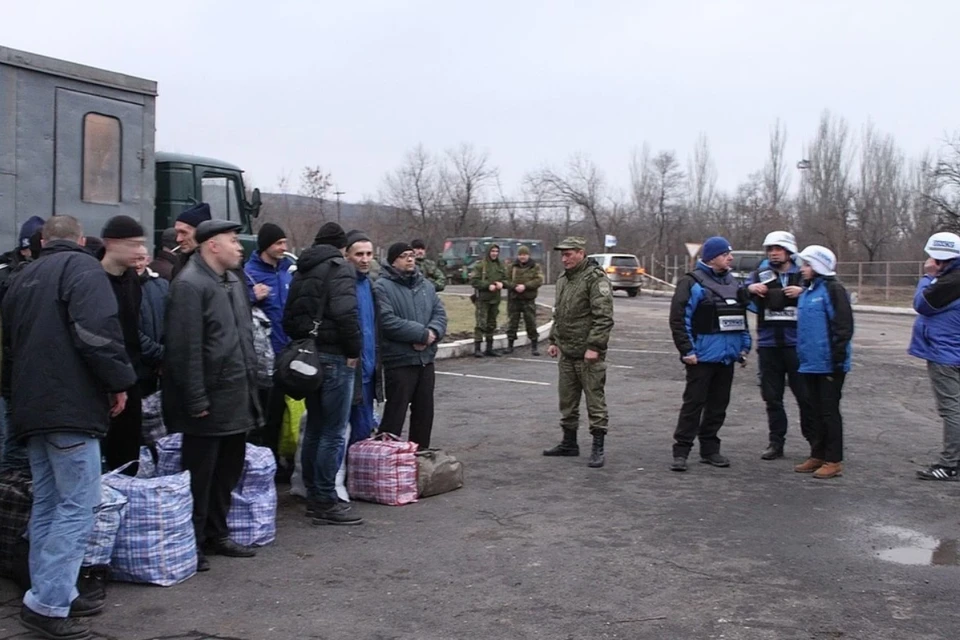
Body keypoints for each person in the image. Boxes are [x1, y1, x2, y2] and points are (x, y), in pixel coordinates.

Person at [3, 215, 135, 639]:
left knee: (48, 503)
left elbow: (9, 346)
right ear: (80, 240)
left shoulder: (21, 277)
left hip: (28, 409)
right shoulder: (83, 270)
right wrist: (119, 382)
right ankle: (49, 603)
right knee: (78, 506)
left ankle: (47, 590)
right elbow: (97, 334)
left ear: (42, 241)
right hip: (69, 407)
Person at [163, 219, 263, 571]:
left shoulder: (232, 282)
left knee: (228, 470)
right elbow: (183, 350)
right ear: (212, 246)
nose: (240, 247)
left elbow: (242, 339)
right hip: (208, 401)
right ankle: (193, 540)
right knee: (201, 475)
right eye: (233, 241)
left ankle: (217, 533)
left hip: (237, 395)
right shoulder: (190, 285)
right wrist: (196, 399)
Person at [283, 222, 362, 525]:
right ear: (341, 246)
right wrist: (354, 350)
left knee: (315, 427)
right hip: (335, 357)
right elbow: (346, 314)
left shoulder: (301, 268)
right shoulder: (339, 268)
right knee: (333, 431)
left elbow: (288, 317)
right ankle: (326, 499)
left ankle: (313, 492)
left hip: (309, 358)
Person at [668, 237, 751, 472]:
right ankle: (681, 451)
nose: (730, 258)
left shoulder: (732, 282)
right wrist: (687, 350)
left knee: (718, 406)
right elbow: (679, 319)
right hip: (701, 357)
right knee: (693, 405)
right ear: (712, 257)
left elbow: (740, 318)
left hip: (726, 358)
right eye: (726, 254)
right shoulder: (691, 282)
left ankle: (710, 450)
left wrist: (744, 347)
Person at [543, 237, 614, 468]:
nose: (564, 259)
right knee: (567, 400)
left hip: (588, 354)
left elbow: (603, 317)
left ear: (581, 253)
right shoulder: (563, 279)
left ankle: (598, 447)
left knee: (595, 400)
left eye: (569, 254)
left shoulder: (595, 278)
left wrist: (595, 347)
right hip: (567, 351)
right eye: (562, 255)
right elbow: (559, 313)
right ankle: (569, 442)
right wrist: (554, 339)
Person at [745, 231, 813, 460]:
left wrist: (802, 292)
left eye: (778, 249)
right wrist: (750, 290)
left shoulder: (804, 274)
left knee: (805, 397)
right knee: (772, 397)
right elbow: (742, 296)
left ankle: (815, 443)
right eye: (770, 249)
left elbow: (824, 293)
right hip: (769, 345)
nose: (774, 253)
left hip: (796, 345)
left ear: (789, 251)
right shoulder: (759, 274)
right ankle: (776, 443)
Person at [375, 242, 447, 449]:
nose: (409, 259)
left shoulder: (425, 285)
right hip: (400, 360)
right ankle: (386, 457)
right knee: (395, 413)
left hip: (425, 360)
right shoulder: (382, 286)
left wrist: (432, 333)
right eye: (403, 256)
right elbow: (387, 321)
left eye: (411, 255)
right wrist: (421, 334)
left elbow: (440, 314)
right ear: (392, 261)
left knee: (424, 412)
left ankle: (419, 456)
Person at [794, 245, 853, 480]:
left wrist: (837, 358)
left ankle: (833, 459)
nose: (803, 269)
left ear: (818, 266)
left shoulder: (833, 289)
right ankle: (817, 454)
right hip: (810, 363)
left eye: (807, 265)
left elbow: (843, 326)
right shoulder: (808, 291)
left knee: (829, 412)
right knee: (814, 410)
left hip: (829, 364)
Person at [909, 232, 960, 480]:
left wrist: (928, 277)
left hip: (946, 354)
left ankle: (949, 464)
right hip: (952, 350)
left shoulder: (948, 282)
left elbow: (921, 304)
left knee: (951, 410)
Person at [100, 216, 147, 471]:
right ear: (111, 243)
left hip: (132, 378)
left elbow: (133, 331)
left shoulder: (132, 280)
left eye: (142, 244)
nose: (140, 251)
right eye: (133, 244)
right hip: (102, 386)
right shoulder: (92, 280)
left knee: (128, 460)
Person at [244, 223, 294, 459]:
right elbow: (234, 303)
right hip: (263, 355)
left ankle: (279, 458)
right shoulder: (249, 273)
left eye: (284, 242)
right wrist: (253, 296)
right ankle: (262, 459)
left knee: (283, 411)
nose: (284, 247)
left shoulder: (287, 271)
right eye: (278, 243)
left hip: (288, 351)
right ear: (266, 246)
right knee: (264, 413)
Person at [345, 231, 383, 445]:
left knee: (363, 429)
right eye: (359, 254)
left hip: (369, 372)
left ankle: (358, 475)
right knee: (342, 431)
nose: (365, 259)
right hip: (349, 371)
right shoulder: (343, 286)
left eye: (369, 254)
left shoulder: (370, 285)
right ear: (347, 255)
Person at [134, 244, 168, 398]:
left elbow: (171, 321)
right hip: (135, 366)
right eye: (135, 259)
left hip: (156, 367)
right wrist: (159, 352)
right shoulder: (121, 286)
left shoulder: (162, 285)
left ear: (148, 260)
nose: (138, 264)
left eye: (141, 259)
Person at [470, 243, 509, 357]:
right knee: (481, 324)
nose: (494, 254)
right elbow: (474, 281)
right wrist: (487, 285)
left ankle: (489, 348)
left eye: (496, 251)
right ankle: (477, 348)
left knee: (491, 324)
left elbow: (507, 280)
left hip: (495, 299)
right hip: (483, 299)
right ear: (488, 252)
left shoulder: (500, 266)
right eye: (492, 251)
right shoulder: (481, 265)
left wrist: (502, 284)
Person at [506, 244, 544, 355]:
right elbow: (505, 280)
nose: (522, 257)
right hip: (514, 299)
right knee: (512, 323)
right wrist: (514, 287)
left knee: (531, 323)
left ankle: (534, 346)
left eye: (525, 254)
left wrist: (525, 286)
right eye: (520, 255)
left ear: (528, 255)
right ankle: (510, 346)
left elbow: (539, 280)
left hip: (528, 299)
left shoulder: (535, 267)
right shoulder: (512, 267)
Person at [171, 203, 212, 279]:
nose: (178, 239)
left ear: (201, 232)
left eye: (184, 232)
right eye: (177, 233)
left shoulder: (220, 262)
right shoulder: (179, 264)